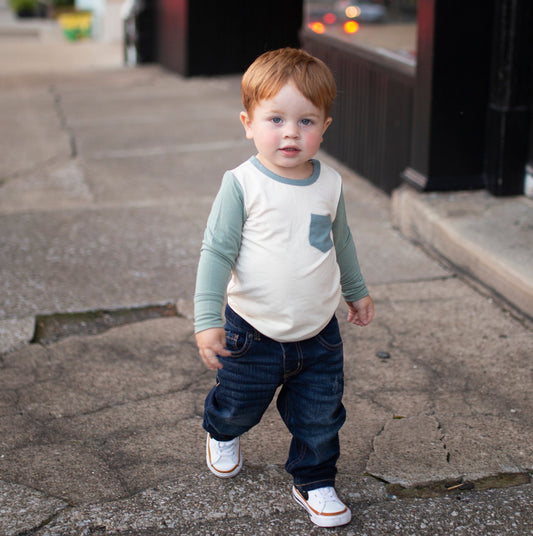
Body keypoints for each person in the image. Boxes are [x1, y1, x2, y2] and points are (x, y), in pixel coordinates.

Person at [194, 47, 374, 528]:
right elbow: (216, 253)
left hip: (319, 333)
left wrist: (356, 290)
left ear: (325, 126)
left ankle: (315, 480)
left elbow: (342, 241)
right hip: (252, 333)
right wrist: (208, 320)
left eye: (306, 121)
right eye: (275, 119)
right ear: (248, 123)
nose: (291, 132)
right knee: (238, 407)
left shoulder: (329, 183)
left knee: (320, 417)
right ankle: (220, 429)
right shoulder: (242, 184)